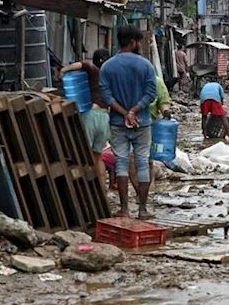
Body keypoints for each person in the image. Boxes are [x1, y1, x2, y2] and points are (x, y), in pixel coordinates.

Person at [100, 25, 157, 220]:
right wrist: (134, 111)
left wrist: (125, 113)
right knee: (142, 163)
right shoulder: (146, 65)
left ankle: (124, 209)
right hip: (142, 122)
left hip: (117, 122)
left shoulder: (107, 66)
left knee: (122, 164)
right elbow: (151, 93)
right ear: (133, 43)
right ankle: (142, 209)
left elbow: (106, 96)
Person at [57, 49, 110, 191]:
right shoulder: (110, 75)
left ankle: (85, 189)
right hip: (105, 117)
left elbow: (82, 64)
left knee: (83, 154)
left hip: (92, 114)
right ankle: (102, 189)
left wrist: (64, 70)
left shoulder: (94, 70)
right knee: (98, 157)